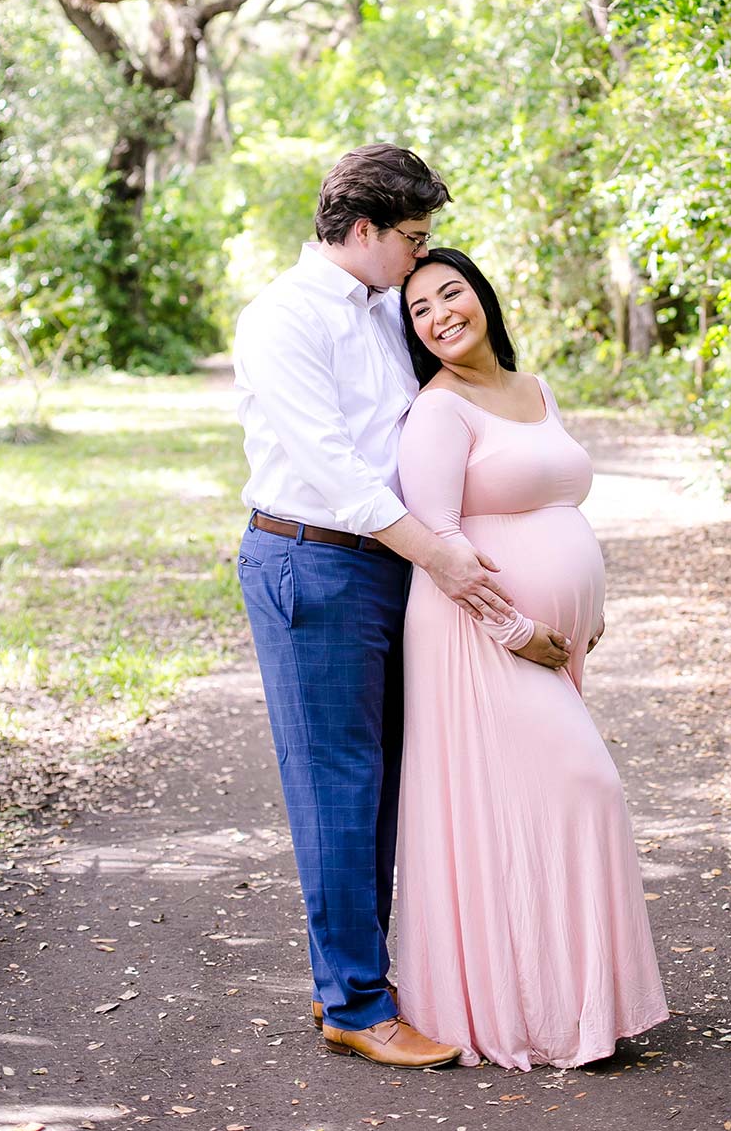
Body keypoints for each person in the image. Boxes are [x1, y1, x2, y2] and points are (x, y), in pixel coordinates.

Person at [233, 146, 514, 1070]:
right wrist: (441, 556)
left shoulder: (384, 305)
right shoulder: (283, 318)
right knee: (339, 788)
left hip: (388, 565)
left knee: (395, 780)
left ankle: (377, 978)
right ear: (363, 231)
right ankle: (353, 1000)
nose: (422, 257)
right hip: (314, 564)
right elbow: (334, 469)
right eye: (414, 238)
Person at [395, 248, 669, 1070]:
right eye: (419, 309)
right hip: (476, 638)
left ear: (483, 296)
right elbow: (438, 542)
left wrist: (590, 601)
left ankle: (573, 1008)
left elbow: (556, 502)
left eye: (453, 292)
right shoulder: (438, 412)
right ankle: (540, 1010)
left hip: (549, 639)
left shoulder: (532, 388)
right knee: (585, 785)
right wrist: (518, 628)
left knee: (533, 808)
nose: (442, 313)